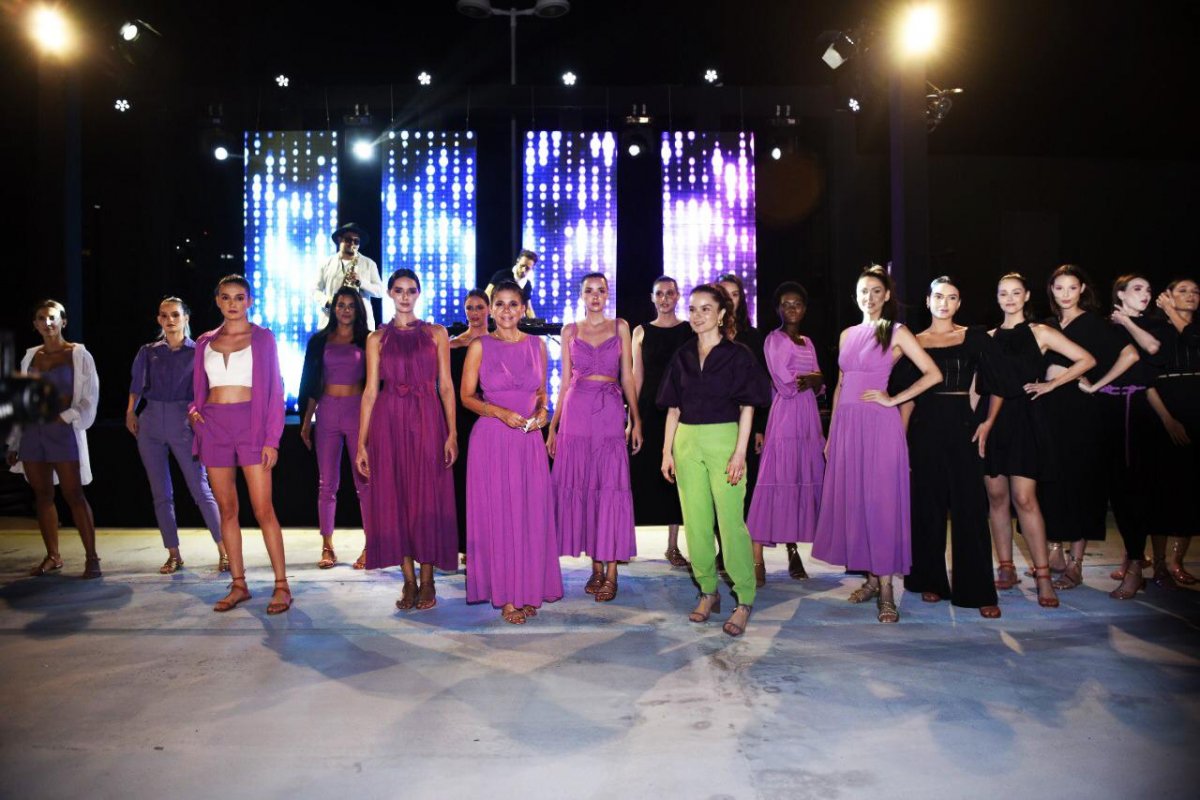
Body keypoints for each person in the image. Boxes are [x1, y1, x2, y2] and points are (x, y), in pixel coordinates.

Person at [811, 266, 943, 624]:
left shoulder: (895, 331)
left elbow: (933, 373)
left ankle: (886, 589)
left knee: (880, 504)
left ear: (886, 296)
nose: (868, 297)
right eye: (863, 291)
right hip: (847, 427)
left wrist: (893, 399)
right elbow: (840, 385)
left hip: (879, 426)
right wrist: (832, 433)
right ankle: (870, 580)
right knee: (857, 504)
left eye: (875, 291)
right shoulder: (847, 334)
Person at [658, 284, 770, 637]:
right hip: (687, 442)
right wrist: (666, 451)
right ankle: (708, 591)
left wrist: (739, 451)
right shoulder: (682, 355)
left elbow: (748, 406)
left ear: (721, 314)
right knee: (696, 522)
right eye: (693, 308)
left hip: (724, 440)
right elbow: (673, 408)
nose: (697, 315)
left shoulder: (738, 355)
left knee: (731, 522)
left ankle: (744, 598)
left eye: (706, 308)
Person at [888, 278, 1001, 617]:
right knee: (927, 507)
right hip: (924, 431)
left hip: (964, 428)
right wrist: (900, 442)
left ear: (959, 303)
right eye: (938, 296)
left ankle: (978, 590)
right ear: (928, 301)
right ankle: (930, 579)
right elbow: (906, 399)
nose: (944, 303)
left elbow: (997, 382)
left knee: (971, 509)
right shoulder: (913, 341)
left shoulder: (974, 337)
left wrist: (988, 422)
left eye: (952, 297)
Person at [983, 272, 1094, 609]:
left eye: (1016, 292)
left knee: (1025, 498)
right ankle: (1005, 568)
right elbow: (980, 384)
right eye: (1004, 293)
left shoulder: (1041, 332)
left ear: (1027, 296)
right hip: (993, 420)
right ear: (997, 297)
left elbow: (1087, 359)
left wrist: (1051, 384)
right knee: (996, 496)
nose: (1010, 299)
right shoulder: (988, 337)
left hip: (1026, 420)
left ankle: (1043, 577)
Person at [460, 280, 563, 624]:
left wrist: (544, 412)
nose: (506, 310)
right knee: (501, 517)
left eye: (513, 304)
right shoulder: (480, 346)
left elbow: (541, 392)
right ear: (491, 309)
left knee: (530, 516)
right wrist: (499, 412)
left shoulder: (537, 345)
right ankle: (507, 596)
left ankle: (527, 590)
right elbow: (466, 397)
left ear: (522, 309)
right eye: (500, 304)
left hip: (528, 440)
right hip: (492, 440)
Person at [355, 269, 458, 611]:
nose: (404, 296)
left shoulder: (436, 333)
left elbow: (446, 386)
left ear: (418, 294)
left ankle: (428, 581)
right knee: (396, 496)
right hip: (389, 421)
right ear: (389, 293)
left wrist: (452, 432)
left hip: (427, 418)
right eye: (398, 290)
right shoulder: (376, 339)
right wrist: (361, 443)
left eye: (411, 290)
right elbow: (370, 392)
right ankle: (409, 581)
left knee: (426, 496)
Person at [189, 275, 291, 614]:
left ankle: (282, 586)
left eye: (239, 297)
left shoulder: (263, 338)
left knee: (263, 509)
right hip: (214, 427)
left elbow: (275, 391)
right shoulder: (204, 341)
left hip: (251, 425)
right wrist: (194, 412)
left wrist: (272, 439)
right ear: (217, 301)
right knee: (227, 510)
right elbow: (198, 388)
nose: (232, 303)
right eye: (226, 297)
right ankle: (238, 584)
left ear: (249, 301)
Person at [1037, 264, 1138, 591]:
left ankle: (1076, 563)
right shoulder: (1047, 324)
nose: (1065, 294)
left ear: (1082, 289)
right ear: (1051, 290)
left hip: (1081, 412)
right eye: (1059, 288)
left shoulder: (1093, 324)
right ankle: (1054, 551)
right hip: (1048, 410)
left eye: (1072, 287)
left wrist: (1096, 385)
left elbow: (1130, 355)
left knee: (1080, 483)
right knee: (1050, 481)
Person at [546, 273, 642, 602]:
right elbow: (564, 383)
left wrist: (636, 419)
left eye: (601, 290)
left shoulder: (620, 327)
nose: (596, 296)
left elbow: (627, 376)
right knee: (585, 487)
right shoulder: (570, 331)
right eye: (589, 291)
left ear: (607, 294)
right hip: (576, 413)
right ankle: (596, 568)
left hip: (610, 411)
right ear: (582, 296)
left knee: (610, 487)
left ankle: (612, 572)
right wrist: (554, 425)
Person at [126, 297, 227, 574]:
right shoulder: (148, 351)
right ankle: (173, 554)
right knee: (161, 493)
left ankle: (225, 550)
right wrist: (131, 411)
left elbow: (208, 389)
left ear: (186, 318)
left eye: (175, 315)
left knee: (200, 489)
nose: (170, 320)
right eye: (164, 315)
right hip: (150, 422)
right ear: (159, 319)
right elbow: (136, 385)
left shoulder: (199, 352)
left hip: (184, 421)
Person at [7, 300, 101, 579]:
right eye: (41, 318)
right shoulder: (30, 356)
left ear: (63, 321)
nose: (47, 323)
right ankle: (53, 556)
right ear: (35, 324)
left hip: (62, 432)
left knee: (74, 494)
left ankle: (92, 557)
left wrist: (66, 416)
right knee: (43, 495)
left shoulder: (78, 354)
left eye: (52, 317)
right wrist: (14, 442)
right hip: (32, 433)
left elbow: (90, 396)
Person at [745, 282, 825, 585]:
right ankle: (757, 560)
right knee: (775, 481)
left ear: (805, 309)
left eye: (797, 304)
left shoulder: (809, 341)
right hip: (785, 416)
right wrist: (813, 379)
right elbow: (786, 383)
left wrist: (815, 380)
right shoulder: (774, 339)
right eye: (786, 304)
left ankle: (794, 551)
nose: (792, 309)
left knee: (799, 480)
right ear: (778, 308)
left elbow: (819, 384)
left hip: (808, 419)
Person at [1102, 274, 1166, 599]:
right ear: (1120, 294)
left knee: (1136, 489)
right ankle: (1132, 557)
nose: (1145, 294)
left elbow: (1151, 349)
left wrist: (1127, 321)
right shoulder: (1106, 327)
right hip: (1109, 411)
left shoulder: (1154, 325)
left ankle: (1137, 566)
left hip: (1137, 411)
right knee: (1117, 489)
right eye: (1137, 289)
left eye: (1148, 289)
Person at [298, 287, 371, 571]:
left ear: (358, 309)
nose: (345, 310)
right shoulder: (319, 341)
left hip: (357, 412)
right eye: (341, 305)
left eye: (351, 305)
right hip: (327, 411)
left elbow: (375, 383)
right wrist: (306, 421)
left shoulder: (368, 340)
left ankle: (371, 545)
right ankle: (327, 546)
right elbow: (310, 382)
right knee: (327, 483)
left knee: (364, 481)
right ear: (333, 308)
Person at [631, 276, 694, 567]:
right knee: (639, 475)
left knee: (675, 479)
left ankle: (672, 546)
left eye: (670, 293)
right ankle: (626, 544)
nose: (665, 298)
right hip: (649, 409)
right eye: (660, 294)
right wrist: (633, 420)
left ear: (678, 296)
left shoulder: (689, 330)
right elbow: (636, 377)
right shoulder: (640, 331)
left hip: (680, 411)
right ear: (652, 297)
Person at [1147, 278, 1200, 586]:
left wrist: (1173, 312)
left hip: (1196, 417)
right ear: (1166, 296)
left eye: (1195, 291)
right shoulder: (1157, 331)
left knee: (1190, 492)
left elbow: (1193, 339)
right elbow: (1147, 381)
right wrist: (1167, 419)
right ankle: (1158, 563)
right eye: (1182, 291)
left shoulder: (1195, 331)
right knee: (1162, 492)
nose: (1190, 295)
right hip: (1163, 417)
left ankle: (1177, 561)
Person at [449, 289, 491, 560]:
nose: (474, 313)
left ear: (488, 309)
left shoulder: (497, 343)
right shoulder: (452, 345)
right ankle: (466, 544)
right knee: (463, 482)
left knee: (488, 483)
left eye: (479, 307)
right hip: (460, 420)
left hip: (489, 417)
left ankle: (488, 541)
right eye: (470, 308)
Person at [314, 222, 384, 328]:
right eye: (348, 240)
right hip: (332, 321)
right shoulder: (326, 263)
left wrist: (361, 282)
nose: (352, 244)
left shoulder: (369, 264)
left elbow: (380, 291)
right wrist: (327, 301)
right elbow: (314, 290)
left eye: (356, 241)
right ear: (339, 240)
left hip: (360, 323)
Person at [485, 249, 539, 319]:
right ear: (517, 261)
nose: (523, 270)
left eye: (527, 268)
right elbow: (487, 295)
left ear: (532, 268)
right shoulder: (501, 275)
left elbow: (528, 308)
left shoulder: (527, 285)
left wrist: (537, 323)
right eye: (522, 266)